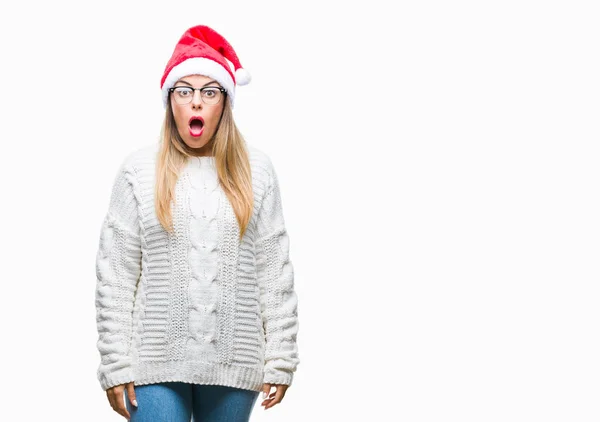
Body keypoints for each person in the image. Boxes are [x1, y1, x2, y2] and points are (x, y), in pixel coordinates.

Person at [94, 24, 300, 421]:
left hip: (234, 361)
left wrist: (282, 354)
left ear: (225, 101)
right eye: (184, 91)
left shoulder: (257, 171)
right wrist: (115, 362)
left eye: (209, 91)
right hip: (154, 362)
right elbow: (116, 274)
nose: (196, 102)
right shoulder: (139, 170)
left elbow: (274, 269)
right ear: (170, 100)